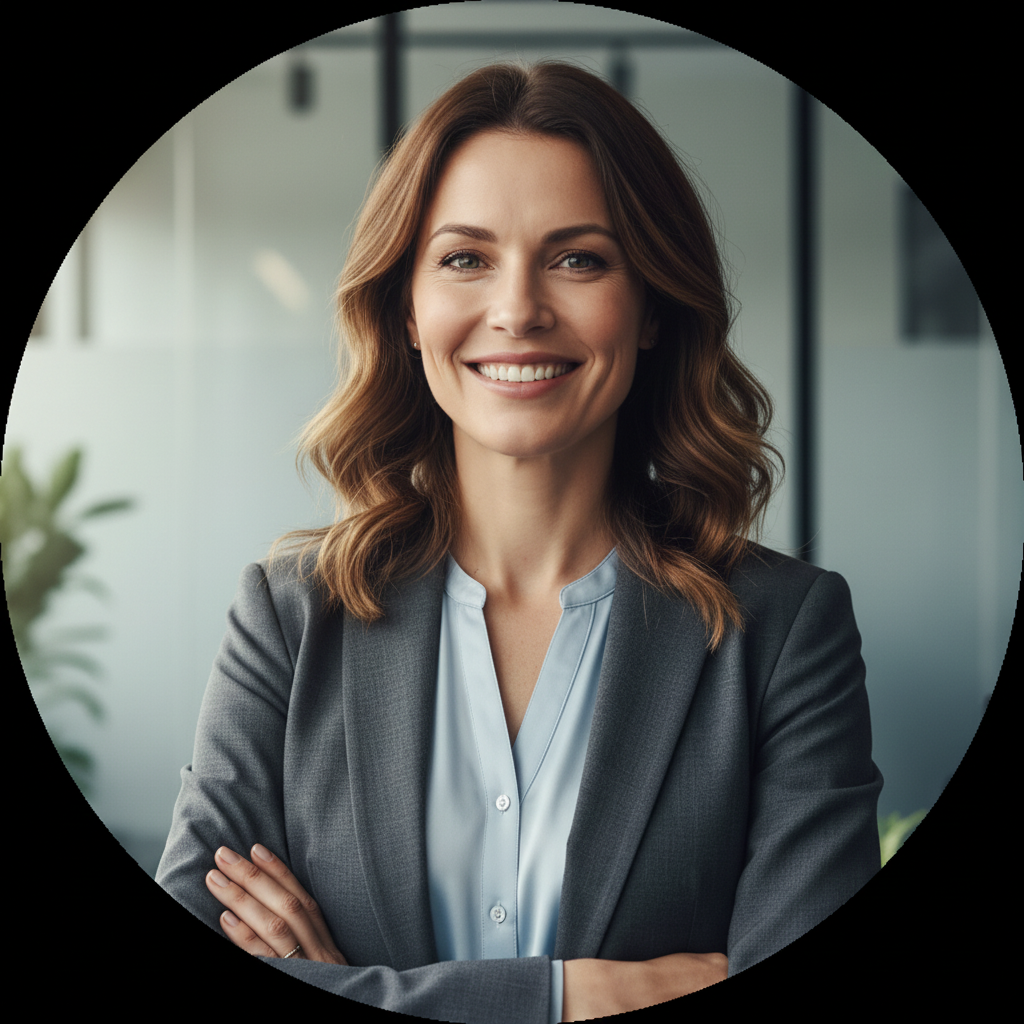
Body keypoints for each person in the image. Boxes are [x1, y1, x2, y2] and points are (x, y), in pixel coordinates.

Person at [156, 61, 882, 1022]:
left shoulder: (784, 631)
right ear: (406, 309)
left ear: (654, 306)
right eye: (465, 259)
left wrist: (349, 984)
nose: (517, 309)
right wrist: (561, 998)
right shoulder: (290, 618)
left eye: (579, 259)